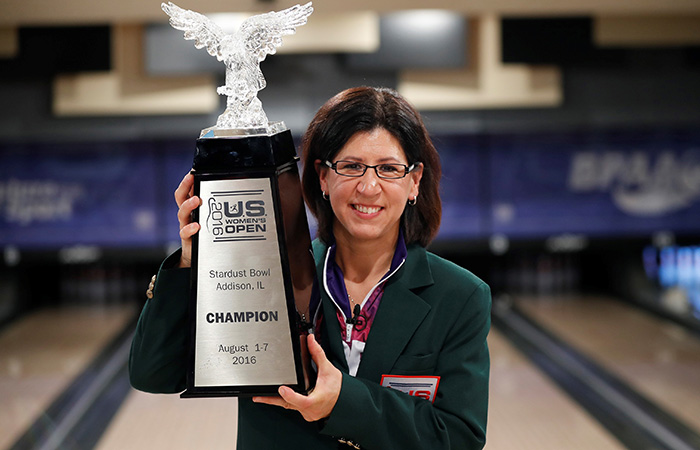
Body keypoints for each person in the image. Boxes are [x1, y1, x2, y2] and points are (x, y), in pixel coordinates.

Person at [129, 86, 491, 449]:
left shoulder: (459, 297)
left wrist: (342, 402)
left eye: (389, 169)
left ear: (414, 181)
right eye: (351, 166)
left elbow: (459, 439)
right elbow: (154, 375)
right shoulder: (263, 275)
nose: (368, 186)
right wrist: (193, 261)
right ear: (322, 177)